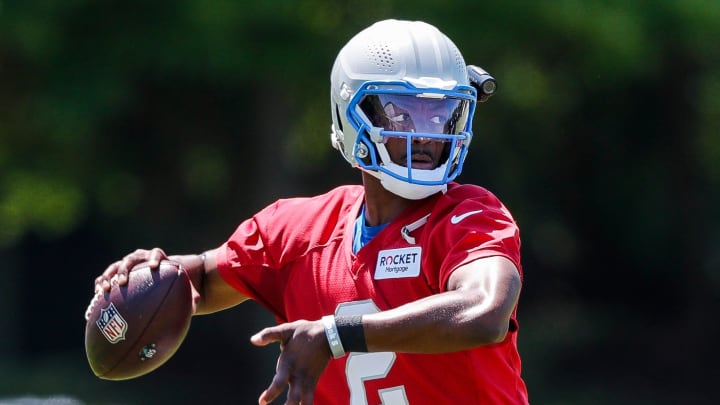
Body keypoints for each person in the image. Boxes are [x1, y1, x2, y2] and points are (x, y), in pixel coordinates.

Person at [94, 19, 529, 405]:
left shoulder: (469, 215)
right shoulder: (299, 230)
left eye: (440, 113)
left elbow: (484, 311)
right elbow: (201, 282)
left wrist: (337, 334)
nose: (428, 134)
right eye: (403, 113)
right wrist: (154, 274)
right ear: (351, 115)